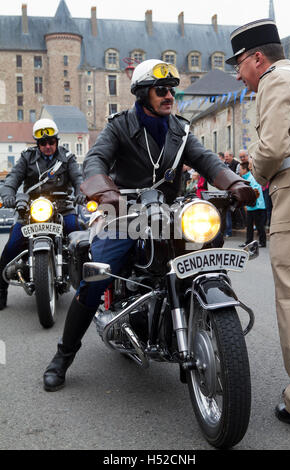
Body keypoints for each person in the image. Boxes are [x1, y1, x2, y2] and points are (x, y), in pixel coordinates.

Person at [43, 58, 256, 392]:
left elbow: (207, 160)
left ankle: (213, 325)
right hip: (124, 212)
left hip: (170, 213)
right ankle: (63, 356)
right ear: (143, 93)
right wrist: (105, 191)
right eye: (161, 90)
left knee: (206, 257)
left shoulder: (181, 131)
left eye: (171, 89)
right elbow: (96, 159)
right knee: (99, 275)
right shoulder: (120, 126)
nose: (169, 95)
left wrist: (233, 183)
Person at [226, 18, 290, 427]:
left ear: (258, 58)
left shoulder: (274, 79)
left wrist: (253, 171)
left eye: (240, 63)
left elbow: (272, 148)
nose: (238, 74)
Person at [0, 118, 85, 310]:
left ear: (57, 141)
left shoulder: (68, 158)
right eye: (43, 143)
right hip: (32, 208)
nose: (47, 146)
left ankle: (89, 288)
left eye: (51, 142)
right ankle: (1, 292)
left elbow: (79, 179)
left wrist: (82, 193)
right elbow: (12, 179)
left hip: (62, 206)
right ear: (37, 144)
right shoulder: (26, 158)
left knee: (80, 237)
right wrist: (7, 195)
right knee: (12, 245)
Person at [238, 162, 266, 248]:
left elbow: (255, 191)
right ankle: (248, 242)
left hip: (257, 206)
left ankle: (262, 242)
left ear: (244, 169)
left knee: (259, 225)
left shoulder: (252, 178)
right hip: (251, 206)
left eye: (240, 169)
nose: (239, 171)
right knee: (249, 225)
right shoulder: (246, 178)